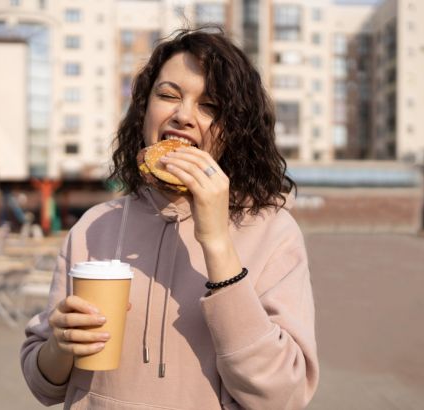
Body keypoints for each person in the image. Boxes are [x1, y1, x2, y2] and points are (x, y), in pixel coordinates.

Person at [20, 29, 319, 409]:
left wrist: (216, 243)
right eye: (168, 95)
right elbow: (43, 384)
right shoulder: (94, 225)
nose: (183, 116)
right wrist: (59, 346)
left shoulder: (274, 231)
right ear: (144, 111)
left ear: (235, 131)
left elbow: (282, 396)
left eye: (210, 105)